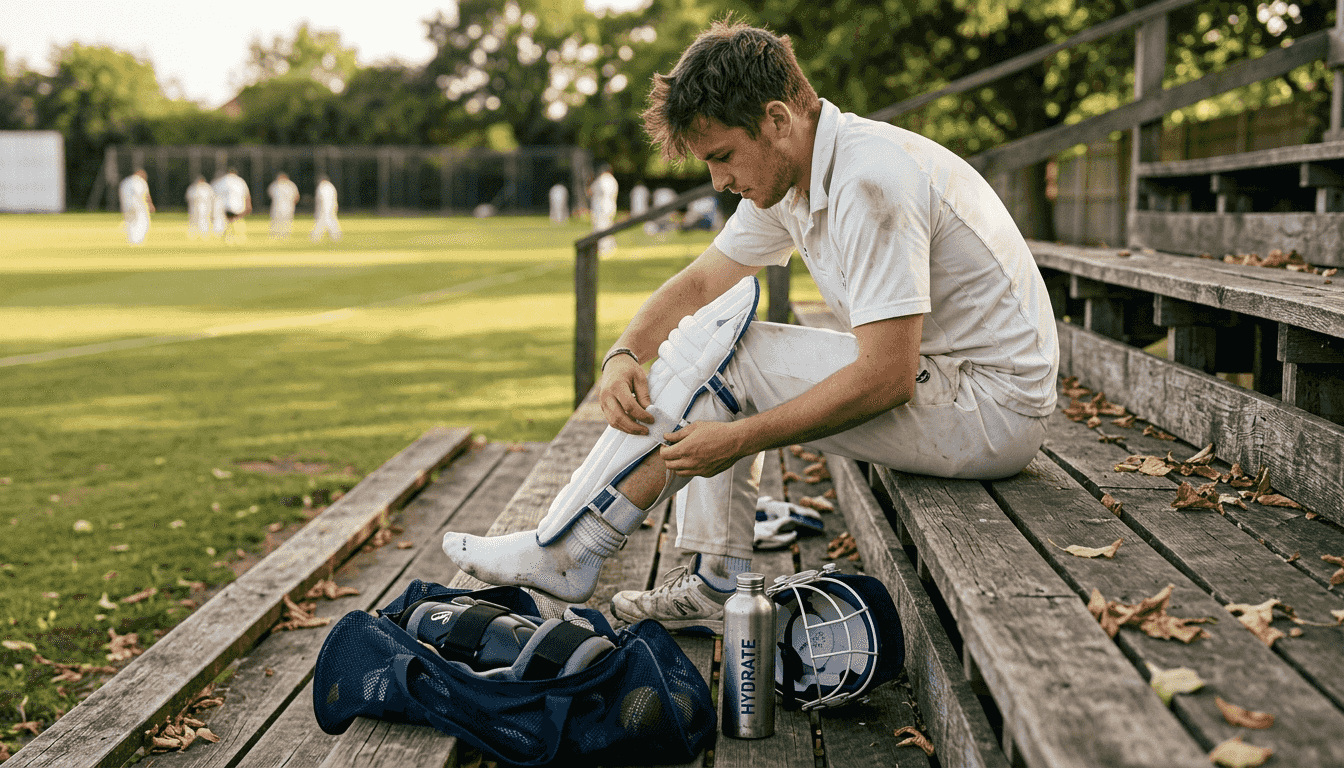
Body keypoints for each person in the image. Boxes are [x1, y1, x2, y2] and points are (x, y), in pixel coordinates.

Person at [445, 21, 1058, 632]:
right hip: (953, 384)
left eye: (722, 156)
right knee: (717, 338)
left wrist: (741, 440)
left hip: (991, 409)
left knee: (729, 363)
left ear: (778, 120)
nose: (717, 181)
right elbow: (701, 281)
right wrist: (624, 351)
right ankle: (685, 575)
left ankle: (572, 549)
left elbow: (888, 377)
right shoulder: (799, 173)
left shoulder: (869, 181)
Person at [213, 168, 252, 244]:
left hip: (226, 206)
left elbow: (215, 191)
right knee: (237, 221)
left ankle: (229, 238)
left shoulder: (223, 181)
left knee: (229, 222)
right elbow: (246, 194)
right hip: (238, 206)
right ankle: (239, 237)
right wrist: (248, 205)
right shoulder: (240, 181)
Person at [118, 169, 155, 245]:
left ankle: (131, 240)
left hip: (126, 206)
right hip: (137, 205)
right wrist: (150, 205)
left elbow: (121, 194)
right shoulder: (140, 182)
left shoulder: (125, 182)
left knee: (130, 223)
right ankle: (137, 240)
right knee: (143, 222)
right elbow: (145, 195)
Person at [588, 164, 618, 254]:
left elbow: (589, 192)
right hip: (611, 206)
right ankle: (611, 246)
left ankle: (603, 248)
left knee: (600, 227)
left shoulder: (601, 179)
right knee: (608, 226)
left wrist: (590, 180)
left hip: (600, 207)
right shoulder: (613, 180)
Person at [268, 172, 300, 239]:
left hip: (282, 207)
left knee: (283, 222)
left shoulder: (276, 185)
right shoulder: (290, 185)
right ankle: (280, 236)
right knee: (279, 222)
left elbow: (296, 197)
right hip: (282, 207)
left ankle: (280, 236)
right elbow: (297, 197)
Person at [312, 175, 342, 242]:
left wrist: (320, 209)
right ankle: (336, 236)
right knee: (331, 221)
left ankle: (316, 237)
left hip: (325, 208)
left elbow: (321, 199)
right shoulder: (331, 186)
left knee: (323, 222)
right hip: (331, 207)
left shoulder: (322, 187)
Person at [185, 175, 214, 240]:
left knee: (204, 222)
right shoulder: (193, 188)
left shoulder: (207, 188)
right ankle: (192, 235)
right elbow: (188, 198)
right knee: (193, 222)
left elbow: (211, 199)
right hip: (194, 208)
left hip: (204, 208)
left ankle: (204, 235)